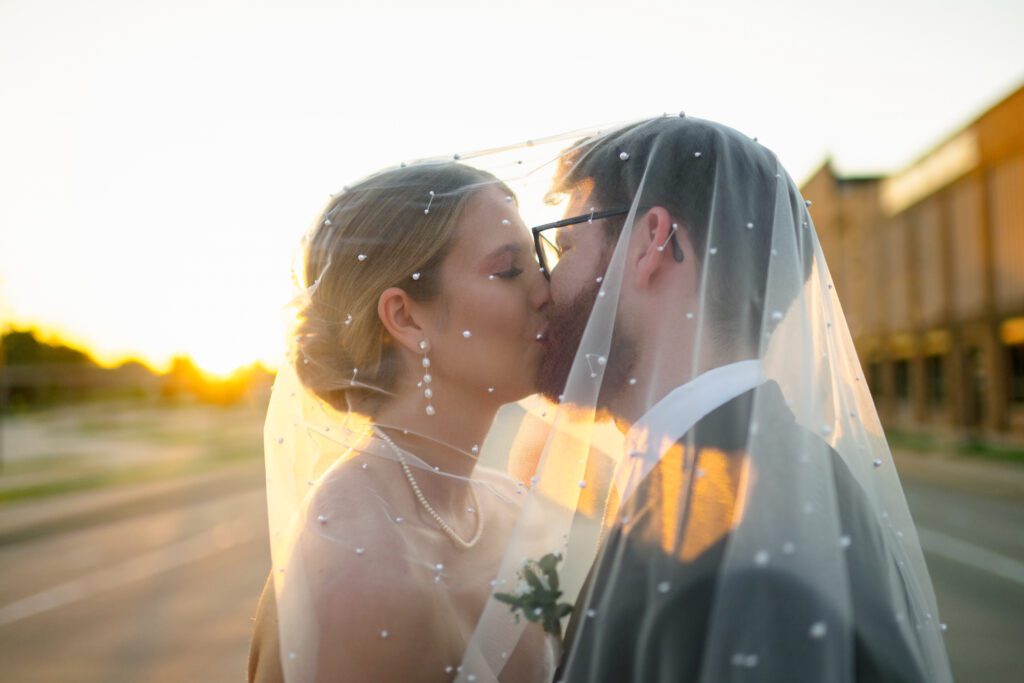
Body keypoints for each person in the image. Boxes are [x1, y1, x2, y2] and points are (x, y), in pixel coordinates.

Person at [453, 116, 953, 682]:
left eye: (564, 247)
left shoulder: (728, 525)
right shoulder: (770, 467)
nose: (544, 289)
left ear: (652, 243)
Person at [248, 161, 555, 682]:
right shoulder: (356, 568)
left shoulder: (510, 505)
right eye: (508, 271)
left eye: (540, 261)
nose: (546, 291)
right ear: (406, 318)